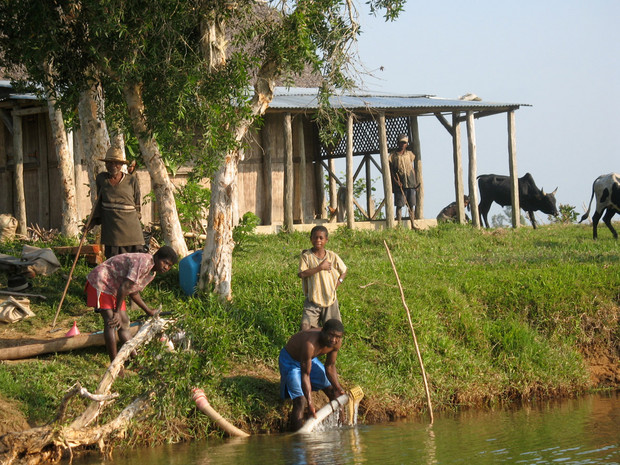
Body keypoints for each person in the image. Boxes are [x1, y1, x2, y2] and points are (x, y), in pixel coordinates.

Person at [85, 246, 178, 361]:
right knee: (111, 322)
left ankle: (136, 359)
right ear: (157, 257)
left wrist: (148, 310)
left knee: (124, 323)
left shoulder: (151, 273)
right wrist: (116, 312)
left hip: (116, 288)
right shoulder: (144, 262)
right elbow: (125, 287)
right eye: (165, 263)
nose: (166, 267)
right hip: (103, 280)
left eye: (169, 266)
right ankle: (114, 364)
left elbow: (133, 292)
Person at [279, 319, 345, 431]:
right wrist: (310, 405)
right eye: (331, 335)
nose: (333, 339)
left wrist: (338, 388)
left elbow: (329, 366)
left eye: (337, 336)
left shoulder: (336, 342)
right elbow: (305, 375)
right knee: (301, 400)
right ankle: (298, 440)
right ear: (323, 332)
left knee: (334, 392)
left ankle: (341, 430)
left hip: (310, 360)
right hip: (291, 362)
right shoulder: (310, 344)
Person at [90, 146, 145, 259]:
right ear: (106, 164)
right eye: (110, 163)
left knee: (135, 261)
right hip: (112, 231)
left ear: (121, 165)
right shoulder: (102, 179)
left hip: (131, 229)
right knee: (114, 262)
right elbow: (98, 203)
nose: (113, 166)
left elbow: (137, 202)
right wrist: (92, 221)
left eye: (117, 163)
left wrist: (137, 215)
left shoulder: (131, 180)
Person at [298, 225, 347, 331]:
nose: (318, 240)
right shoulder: (307, 256)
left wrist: (338, 282)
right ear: (311, 239)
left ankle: (331, 348)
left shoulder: (332, 256)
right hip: (313, 299)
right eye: (315, 237)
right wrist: (320, 267)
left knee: (333, 330)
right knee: (306, 329)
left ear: (326, 240)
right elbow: (301, 274)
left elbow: (344, 270)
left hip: (330, 299)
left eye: (321, 238)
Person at [389, 134, 417, 222]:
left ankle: (412, 222)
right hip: (400, 184)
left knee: (411, 204)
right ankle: (399, 224)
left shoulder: (409, 154)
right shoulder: (393, 156)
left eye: (404, 143)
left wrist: (415, 182)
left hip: (410, 183)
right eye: (401, 143)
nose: (402, 145)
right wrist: (395, 181)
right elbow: (391, 171)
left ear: (406, 144)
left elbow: (412, 168)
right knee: (399, 205)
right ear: (398, 143)